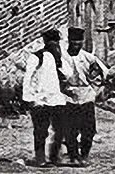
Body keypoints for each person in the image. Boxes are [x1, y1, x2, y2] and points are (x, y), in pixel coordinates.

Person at [22, 29, 71, 167]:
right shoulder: (37, 57)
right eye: (51, 42)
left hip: (56, 100)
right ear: (45, 42)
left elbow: (68, 74)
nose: (54, 45)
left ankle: (54, 157)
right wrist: (29, 98)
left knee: (60, 129)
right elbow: (28, 79)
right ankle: (40, 159)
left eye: (56, 42)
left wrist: (59, 61)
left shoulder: (59, 58)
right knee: (40, 131)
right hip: (40, 100)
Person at [62, 28, 109, 166]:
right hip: (68, 97)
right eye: (73, 43)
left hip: (86, 97)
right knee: (70, 130)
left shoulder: (88, 57)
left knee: (88, 129)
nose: (76, 46)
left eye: (79, 43)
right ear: (69, 42)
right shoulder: (62, 57)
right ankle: (73, 156)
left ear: (82, 42)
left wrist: (94, 89)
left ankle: (84, 155)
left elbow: (104, 74)